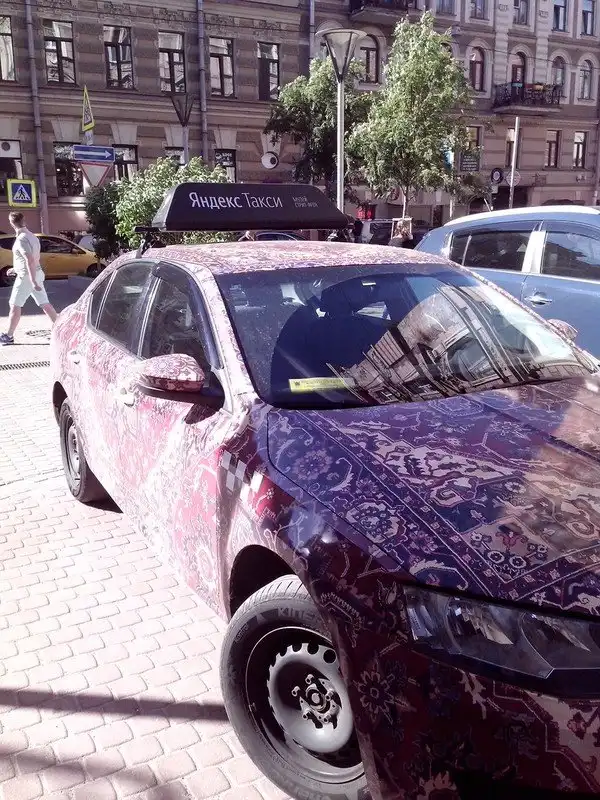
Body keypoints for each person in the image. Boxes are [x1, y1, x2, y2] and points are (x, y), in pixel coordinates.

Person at [0, 212, 57, 346]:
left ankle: (9, 336)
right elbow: (33, 259)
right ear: (24, 220)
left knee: (15, 304)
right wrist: (15, 269)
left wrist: (32, 280)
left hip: (27, 277)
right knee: (44, 303)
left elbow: (29, 259)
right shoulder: (32, 236)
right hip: (35, 273)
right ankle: (60, 328)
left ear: (11, 223)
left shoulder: (22, 239)